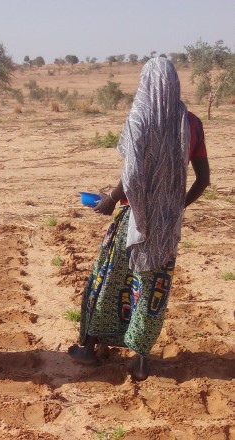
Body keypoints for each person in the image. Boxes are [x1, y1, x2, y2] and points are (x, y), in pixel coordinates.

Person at [68, 58, 210, 380]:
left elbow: (131, 176)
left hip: (135, 220)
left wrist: (110, 200)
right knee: (150, 289)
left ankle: (88, 349)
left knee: (104, 281)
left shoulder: (139, 120)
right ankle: (141, 361)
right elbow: (203, 179)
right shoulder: (192, 125)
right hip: (167, 227)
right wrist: (176, 206)